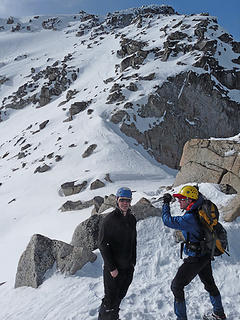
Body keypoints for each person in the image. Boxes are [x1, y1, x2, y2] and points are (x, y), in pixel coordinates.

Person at [162, 185, 226, 320]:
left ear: (190, 200)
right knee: (210, 284)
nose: (179, 201)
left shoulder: (190, 218)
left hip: (195, 258)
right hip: (205, 255)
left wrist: (166, 204)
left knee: (176, 286)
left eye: (181, 199)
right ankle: (219, 314)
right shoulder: (199, 207)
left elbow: (168, 221)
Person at [98, 187, 137, 320]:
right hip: (113, 270)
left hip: (127, 267)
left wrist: (133, 262)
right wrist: (112, 268)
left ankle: (114, 317)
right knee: (110, 300)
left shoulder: (132, 219)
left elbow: (133, 242)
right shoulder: (109, 220)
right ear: (117, 200)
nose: (125, 203)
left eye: (127, 200)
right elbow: (102, 245)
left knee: (120, 296)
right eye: (122, 200)